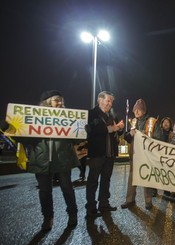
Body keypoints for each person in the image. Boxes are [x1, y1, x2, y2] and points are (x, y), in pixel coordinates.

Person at [25, 90, 79, 231]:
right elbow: (26, 137)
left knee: (67, 188)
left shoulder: (67, 118)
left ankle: (72, 213)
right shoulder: (35, 116)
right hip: (42, 158)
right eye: (56, 100)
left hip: (62, 158)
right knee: (44, 191)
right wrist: (11, 128)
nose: (60, 103)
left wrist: (85, 130)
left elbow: (77, 138)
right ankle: (47, 217)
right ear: (47, 102)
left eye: (61, 100)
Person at [85, 91, 124, 218]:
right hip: (97, 153)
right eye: (108, 100)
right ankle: (91, 207)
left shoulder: (112, 115)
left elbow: (117, 132)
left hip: (110, 154)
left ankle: (104, 204)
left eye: (111, 101)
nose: (110, 103)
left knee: (106, 180)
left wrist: (120, 128)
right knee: (93, 181)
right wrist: (111, 129)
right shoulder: (91, 114)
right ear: (99, 100)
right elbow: (90, 130)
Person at [121, 99, 160, 210]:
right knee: (132, 178)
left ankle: (148, 202)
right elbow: (127, 138)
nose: (136, 112)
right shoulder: (133, 122)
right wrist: (130, 134)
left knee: (146, 177)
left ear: (144, 111)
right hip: (134, 154)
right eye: (135, 110)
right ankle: (129, 200)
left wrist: (144, 135)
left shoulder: (152, 121)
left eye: (139, 110)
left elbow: (158, 138)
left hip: (147, 155)